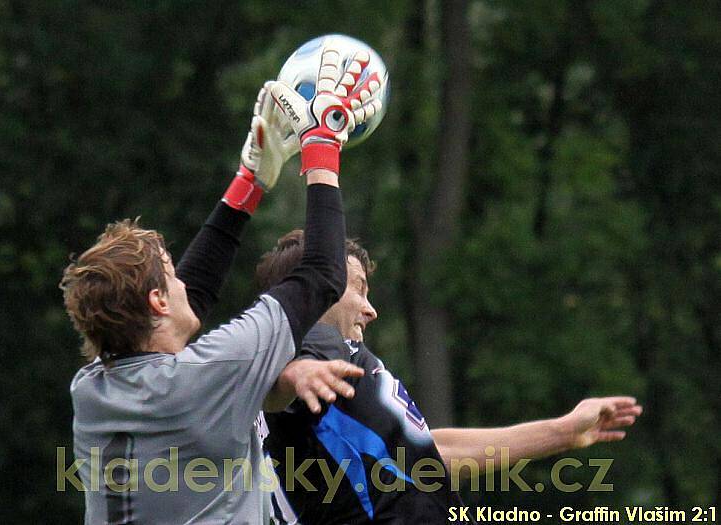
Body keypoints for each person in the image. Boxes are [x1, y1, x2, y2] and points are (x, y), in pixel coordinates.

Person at [62, 47, 384, 524]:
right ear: (155, 301)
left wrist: (249, 183)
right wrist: (322, 144)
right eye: (170, 276)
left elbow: (189, 299)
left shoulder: (92, 389)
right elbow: (323, 276)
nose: (181, 284)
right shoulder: (210, 374)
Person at [256, 230, 643, 524]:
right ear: (318, 285)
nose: (371, 310)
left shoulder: (342, 375)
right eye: (359, 288)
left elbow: (427, 457)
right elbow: (277, 382)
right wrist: (290, 373)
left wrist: (564, 432)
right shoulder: (312, 342)